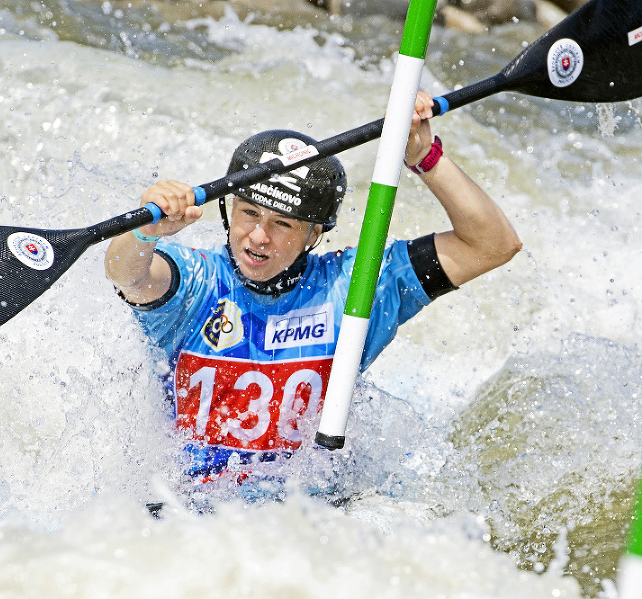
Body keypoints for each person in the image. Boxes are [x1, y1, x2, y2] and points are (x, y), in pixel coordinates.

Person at [105, 91, 521, 495]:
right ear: (229, 208)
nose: (259, 237)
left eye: (284, 224)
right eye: (249, 213)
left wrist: (426, 158)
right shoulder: (196, 282)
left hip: (309, 518)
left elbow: (492, 245)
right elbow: (128, 275)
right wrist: (143, 231)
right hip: (189, 510)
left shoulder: (354, 289)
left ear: (314, 234)